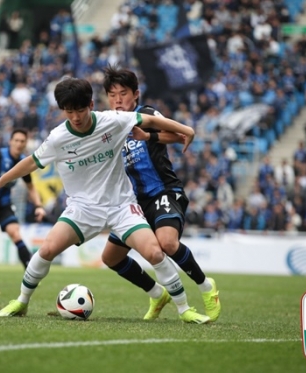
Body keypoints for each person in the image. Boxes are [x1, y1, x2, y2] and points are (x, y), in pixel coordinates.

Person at [0, 77, 210, 323]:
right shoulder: (58, 137)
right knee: (47, 249)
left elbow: (150, 120)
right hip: (83, 208)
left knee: (155, 253)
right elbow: (30, 162)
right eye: (69, 112)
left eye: (80, 110)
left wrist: (185, 129)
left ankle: (184, 309)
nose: (75, 117)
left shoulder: (111, 120)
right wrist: (1, 181)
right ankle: (22, 301)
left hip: (121, 205)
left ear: (91, 104)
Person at [101, 66, 221, 321]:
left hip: (163, 192)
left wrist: (148, 135)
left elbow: (178, 135)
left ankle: (206, 287)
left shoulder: (144, 114)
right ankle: (157, 293)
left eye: (123, 93)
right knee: (110, 258)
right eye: (112, 95)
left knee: (166, 243)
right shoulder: (109, 127)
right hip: (131, 203)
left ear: (136, 95)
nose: (118, 99)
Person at [0, 128, 46, 267]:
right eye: (16, 140)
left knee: (15, 233)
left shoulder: (24, 163)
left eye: (22, 141)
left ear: (26, 143)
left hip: (4, 205)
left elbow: (30, 186)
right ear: (10, 141)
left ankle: (30, 272)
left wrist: (39, 206)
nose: (19, 144)